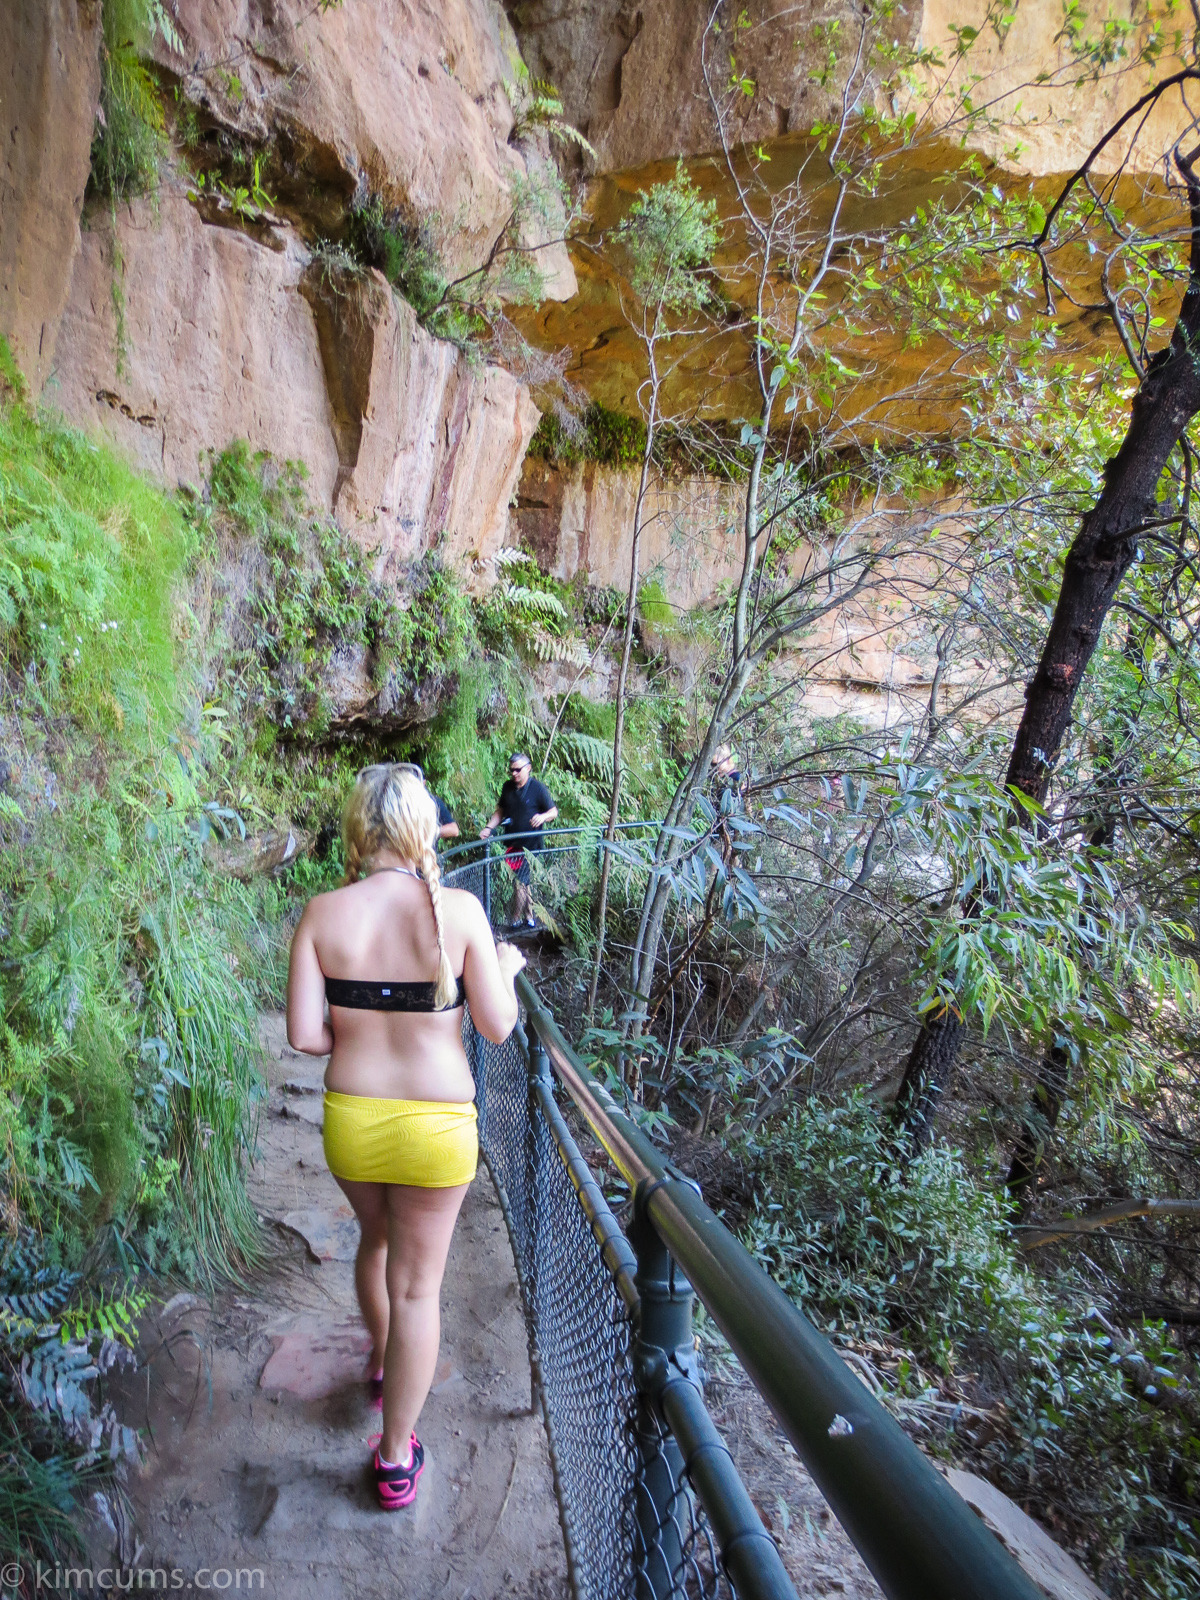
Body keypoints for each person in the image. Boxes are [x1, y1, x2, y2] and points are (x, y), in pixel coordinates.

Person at [286, 763, 526, 1512]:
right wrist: (508, 970)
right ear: (424, 828)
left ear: (360, 828)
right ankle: (395, 1460)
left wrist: (360, 1032)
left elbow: (304, 1034)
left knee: (375, 1242)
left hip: (355, 1123)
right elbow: (496, 1025)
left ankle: (385, 1366)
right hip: (437, 1128)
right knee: (420, 1287)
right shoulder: (457, 913)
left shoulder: (323, 913)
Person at [479, 753, 557, 929]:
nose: (514, 773)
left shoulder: (538, 788)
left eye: (518, 770)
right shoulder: (507, 787)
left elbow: (553, 812)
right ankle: (529, 917)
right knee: (524, 883)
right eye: (511, 770)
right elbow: (501, 811)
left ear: (528, 768)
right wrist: (489, 827)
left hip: (531, 846)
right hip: (512, 845)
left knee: (519, 883)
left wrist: (542, 817)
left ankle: (514, 920)